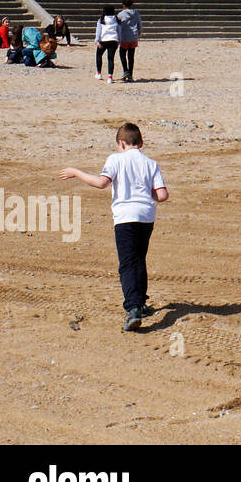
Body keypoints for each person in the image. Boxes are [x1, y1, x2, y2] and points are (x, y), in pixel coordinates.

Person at [59, 121, 167, 332]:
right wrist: (146, 195)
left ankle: (133, 308)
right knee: (139, 259)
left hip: (125, 217)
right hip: (146, 216)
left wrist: (76, 172)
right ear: (141, 142)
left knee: (127, 263)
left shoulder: (115, 159)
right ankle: (141, 303)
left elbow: (101, 183)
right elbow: (162, 195)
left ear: (121, 143)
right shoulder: (151, 163)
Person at [94, 5, 120, 83]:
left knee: (99, 55)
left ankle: (99, 73)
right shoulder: (116, 19)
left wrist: (97, 41)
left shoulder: (101, 20)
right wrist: (119, 40)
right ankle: (110, 77)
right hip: (113, 40)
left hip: (104, 40)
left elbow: (98, 31)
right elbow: (119, 31)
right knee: (110, 58)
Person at [117, 0, 141, 82]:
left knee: (122, 54)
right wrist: (138, 35)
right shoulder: (137, 13)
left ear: (124, 5)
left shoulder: (121, 14)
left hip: (124, 37)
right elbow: (139, 25)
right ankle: (130, 74)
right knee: (131, 56)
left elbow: (118, 26)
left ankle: (125, 70)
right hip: (133, 37)